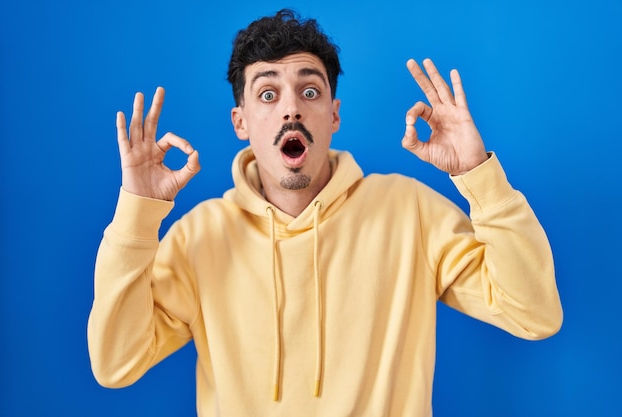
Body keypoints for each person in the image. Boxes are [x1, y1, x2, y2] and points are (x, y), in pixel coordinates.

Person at [88, 8, 563, 417]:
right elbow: (116, 364)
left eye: (309, 92)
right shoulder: (200, 237)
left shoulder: (409, 211)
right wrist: (137, 214)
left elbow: (534, 315)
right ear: (241, 122)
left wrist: (478, 174)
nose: (291, 109)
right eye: (268, 94)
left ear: (334, 115)